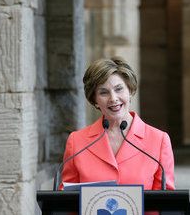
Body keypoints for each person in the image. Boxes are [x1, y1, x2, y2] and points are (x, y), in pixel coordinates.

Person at [59, 57, 175, 190]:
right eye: (103, 92)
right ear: (95, 100)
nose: (113, 98)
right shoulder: (76, 142)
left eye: (119, 89)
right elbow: (66, 199)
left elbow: (167, 201)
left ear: (130, 91)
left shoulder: (159, 140)